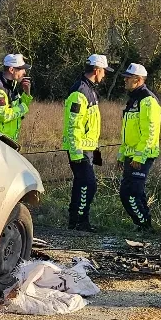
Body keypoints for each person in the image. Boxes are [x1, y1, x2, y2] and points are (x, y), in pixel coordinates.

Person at [63, 54, 107, 231]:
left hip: (86, 148)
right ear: (97, 70)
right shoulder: (80, 92)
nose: (104, 75)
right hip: (79, 149)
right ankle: (80, 222)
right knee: (88, 185)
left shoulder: (89, 90)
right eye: (103, 71)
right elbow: (74, 125)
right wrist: (76, 153)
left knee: (83, 184)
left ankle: (76, 221)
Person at [117, 63, 161, 230]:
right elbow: (127, 132)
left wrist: (139, 157)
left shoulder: (148, 100)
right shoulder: (134, 99)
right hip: (131, 155)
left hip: (143, 155)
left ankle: (144, 225)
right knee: (132, 193)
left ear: (138, 79)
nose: (125, 81)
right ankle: (143, 224)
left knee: (130, 194)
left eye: (128, 78)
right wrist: (122, 155)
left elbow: (150, 131)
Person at [0, 54, 33, 141]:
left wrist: (27, 93)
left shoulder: (11, 85)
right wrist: (24, 108)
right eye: (21, 69)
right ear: (12, 70)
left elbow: (19, 112)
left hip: (8, 141)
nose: (25, 72)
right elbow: (3, 115)